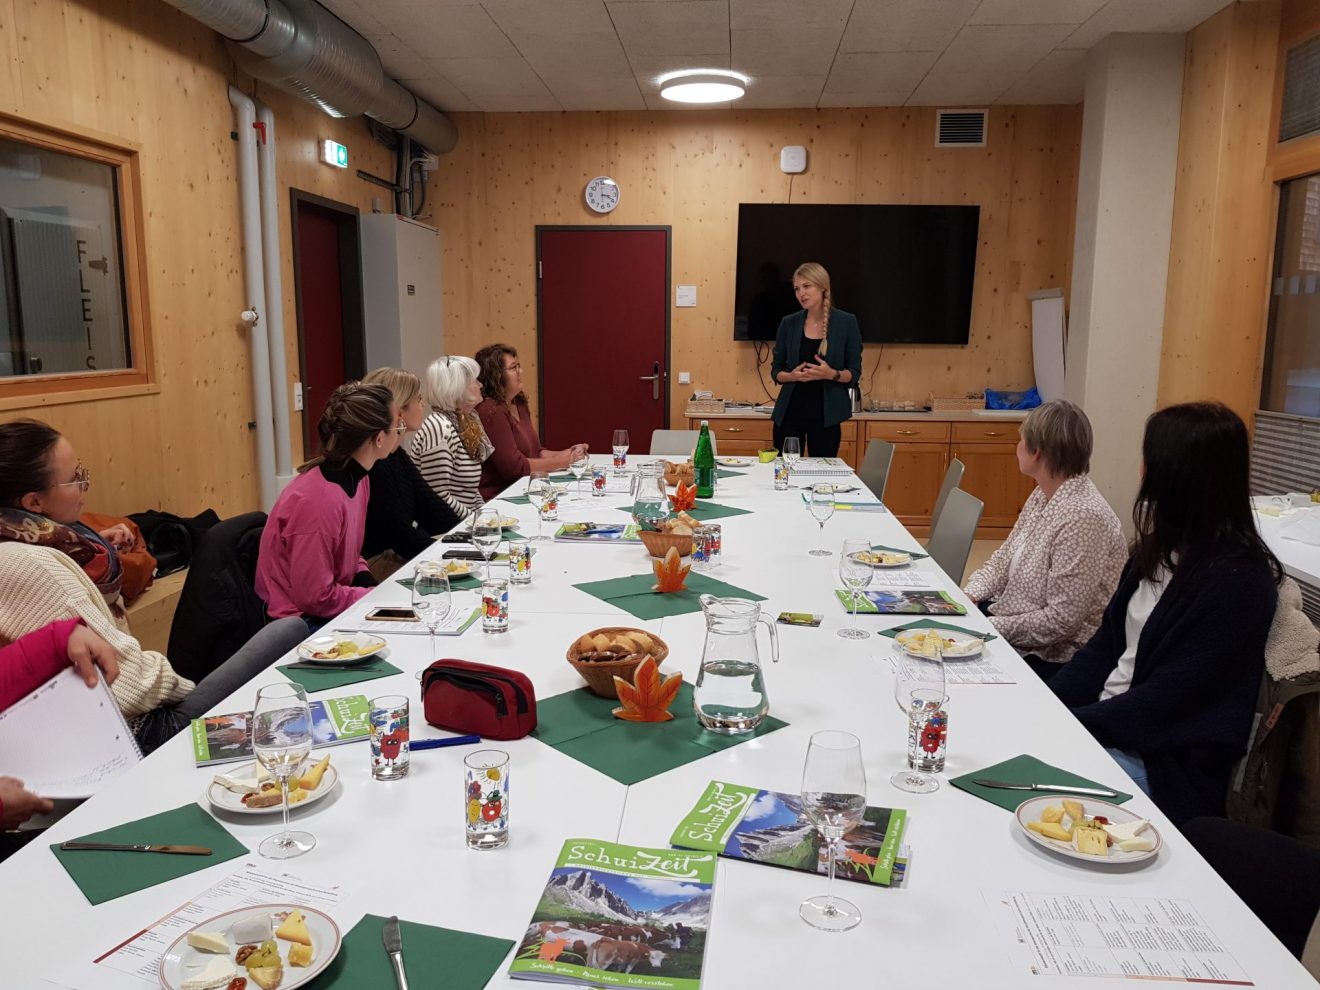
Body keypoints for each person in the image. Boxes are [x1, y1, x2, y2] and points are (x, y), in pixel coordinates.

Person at [1049, 402, 1282, 826]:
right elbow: (1103, 649)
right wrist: (1045, 705)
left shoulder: (1238, 583)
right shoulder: (1155, 551)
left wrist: (1065, 727)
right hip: (1108, 729)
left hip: (1163, 766)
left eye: (1150, 462)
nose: (1141, 473)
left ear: (1180, 477)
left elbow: (1162, 704)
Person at [0, 541, 307, 753]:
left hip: (94, 734)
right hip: (136, 736)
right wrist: (184, 690)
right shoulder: (28, 564)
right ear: (35, 501)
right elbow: (129, 686)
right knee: (288, 631)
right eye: (76, 478)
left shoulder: (56, 551)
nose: (84, 489)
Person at [964, 400, 1126, 681]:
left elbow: (1061, 621)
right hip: (1011, 622)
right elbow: (1004, 558)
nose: (1017, 446)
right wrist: (970, 596)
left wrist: (989, 626)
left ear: (1036, 452)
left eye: (1020, 440)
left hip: (1056, 656)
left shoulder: (1084, 516)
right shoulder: (1044, 494)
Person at [256, 381, 394, 628]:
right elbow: (314, 597)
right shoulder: (318, 501)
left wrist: (369, 582)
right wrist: (376, 598)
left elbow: (347, 556)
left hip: (328, 605)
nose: (400, 430)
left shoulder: (359, 478)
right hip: (298, 624)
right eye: (398, 425)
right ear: (380, 438)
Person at [0, 419, 140, 625]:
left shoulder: (28, 534)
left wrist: (92, 542)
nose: (84, 483)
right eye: (75, 477)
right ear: (34, 501)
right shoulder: (44, 576)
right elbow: (115, 654)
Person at [360, 367, 462, 580]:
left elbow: (432, 507)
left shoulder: (396, 455)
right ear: (399, 411)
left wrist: (465, 535)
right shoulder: (376, 464)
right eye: (418, 399)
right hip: (374, 566)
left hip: (398, 553)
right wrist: (454, 555)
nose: (423, 405)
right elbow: (400, 533)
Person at [770, 263, 862, 458]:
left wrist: (832, 374)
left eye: (806, 286)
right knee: (785, 475)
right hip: (789, 414)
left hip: (826, 417)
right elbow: (776, 371)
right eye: (796, 288)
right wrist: (792, 376)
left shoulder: (846, 322)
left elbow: (854, 373)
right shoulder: (789, 323)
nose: (801, 293)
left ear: (822, 287)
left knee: (821, 479)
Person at [474, 344, 587, 501]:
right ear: (497, 376)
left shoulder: (518, 402)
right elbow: (515, 468)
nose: (520, 372)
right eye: (513, 368)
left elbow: (536, 452)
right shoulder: (490, 410)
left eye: (518, 366)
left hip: (527, 488)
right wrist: (565, 461)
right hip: (502, 497)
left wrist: (568, 452)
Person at [410, 355, 493, 519]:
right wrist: (476, 521)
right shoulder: (439, 428)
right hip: (444, 529)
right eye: (475, 380)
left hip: (462, 524)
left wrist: (487, 516)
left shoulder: (466, 422)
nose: (481, 385)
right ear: (458, 388)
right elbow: (438, 496)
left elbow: (470, 491)